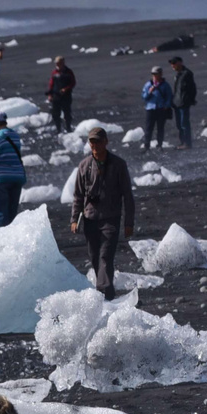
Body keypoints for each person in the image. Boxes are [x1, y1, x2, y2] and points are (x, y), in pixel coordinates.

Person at [69, 127, 134, 299]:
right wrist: (74, 219)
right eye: (92, 141)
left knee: (106, 255)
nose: (95, 144)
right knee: (95, 258)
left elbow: (127, 195)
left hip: (111, 218)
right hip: (90, 218)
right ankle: (109, 293)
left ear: (106, 141)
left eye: (98, 141)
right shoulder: (84, 166)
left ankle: (101, 290)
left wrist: (129, 223)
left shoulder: (119, 165)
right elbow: (78, 195)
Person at [168, 56, 196, 148]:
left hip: (183, 102)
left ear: (180, 62)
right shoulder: (178, 75)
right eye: (172, 64)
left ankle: (187, 143)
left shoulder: (187, 74)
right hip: (177, 102)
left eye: (174, 63)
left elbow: (192, 88)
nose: (173, 65)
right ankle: (183, 142)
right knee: (179, 124)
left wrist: (190, 100)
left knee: (184, 124)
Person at [141, 66, 173, 148]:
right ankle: (146, 145)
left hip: (161, 109)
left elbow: (169, 96)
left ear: (161, 74)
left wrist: (166, 105)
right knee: (148, 128)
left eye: (156, 74)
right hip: (150, 109)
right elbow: (144, 97)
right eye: (153, 74)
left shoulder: (165, 85)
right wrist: (149, 92)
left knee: (160, 128)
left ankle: (160, 145)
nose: (155, 76)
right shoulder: (148, 85)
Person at [45, 56, 75, 133]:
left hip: (66, 96)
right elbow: (51, 84)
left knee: (67, 113)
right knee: (55, 114)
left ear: (63, 63)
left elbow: (73, 83)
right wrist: (50, 94)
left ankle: (68, 128)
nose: (57, 65)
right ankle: (58, 129)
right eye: (57, 63)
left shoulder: (69, 72)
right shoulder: (54, 73)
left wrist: (66, 89)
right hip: (56, 96)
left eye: (59, 63)